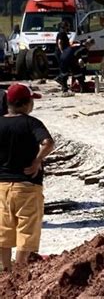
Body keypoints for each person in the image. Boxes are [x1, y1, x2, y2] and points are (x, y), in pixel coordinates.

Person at [0, 83, 54, 271]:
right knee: (27, 230)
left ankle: (6, 271)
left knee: (4, 231)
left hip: (2, 187)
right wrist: (37, 161)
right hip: (27, 186)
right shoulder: (32, 123)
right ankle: (21, 271)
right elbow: (47, 143)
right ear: (26, 103)